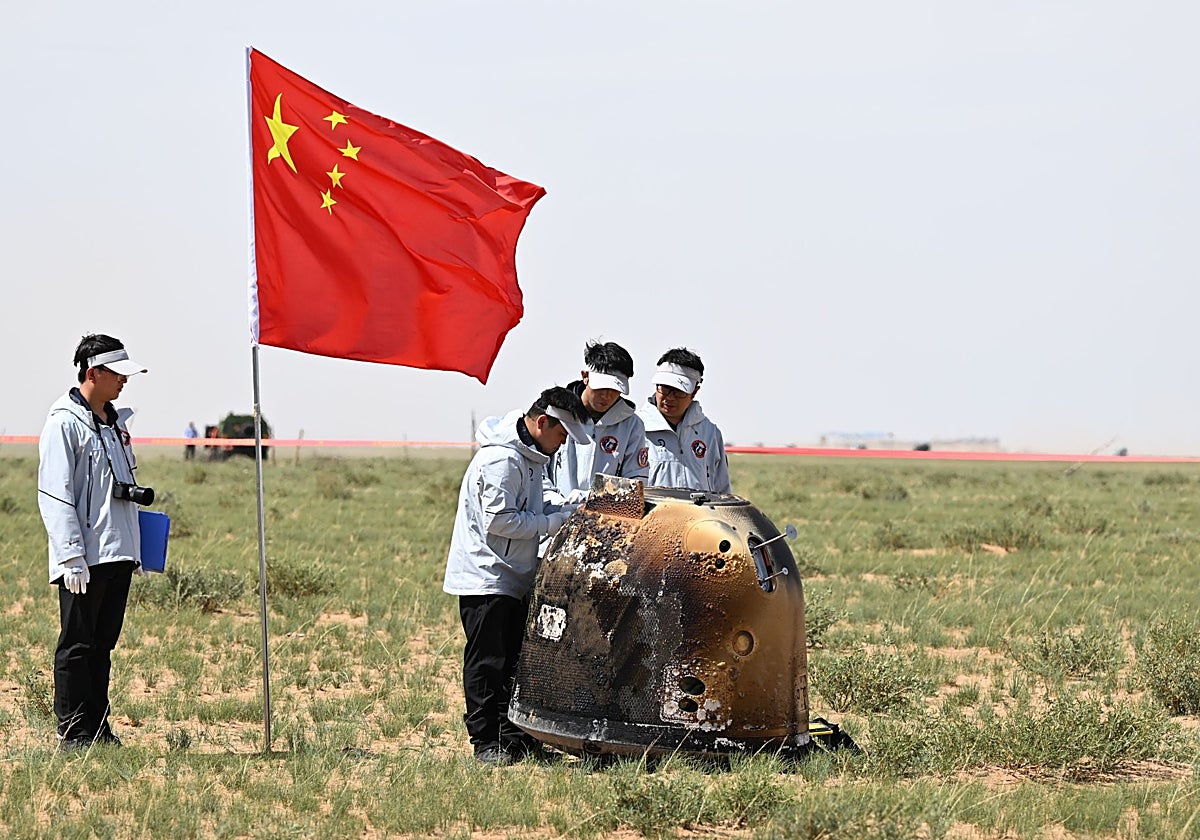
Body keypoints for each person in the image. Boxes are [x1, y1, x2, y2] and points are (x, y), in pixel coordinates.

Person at [443, 386, 591, 766]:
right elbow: (500, 520)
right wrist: (553, 522)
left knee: (513, 660)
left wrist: (575, 503)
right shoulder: (502, 462)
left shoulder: (530, 458)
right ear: (541, 423)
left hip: (513, 576)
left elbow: (536, 505)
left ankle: (514, 740)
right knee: (488, 662)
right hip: (487, 577)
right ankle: (484, 742)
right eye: (560, 436)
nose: (561, 446)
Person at [37, 334, 150, 750]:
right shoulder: (63, 423)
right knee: (77, 645)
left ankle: (99, 729)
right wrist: (70, 555)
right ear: (93, 373)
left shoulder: (117, 423)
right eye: (118, 374)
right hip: (83, 556)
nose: (124, 381)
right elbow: (54, 493)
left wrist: (137, 547)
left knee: (103, 645)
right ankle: (73, 732)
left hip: (118, 551)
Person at [545, 341, 648, 506]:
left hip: (604, 523)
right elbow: (537, 470)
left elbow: (636, 484)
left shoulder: (632, 425)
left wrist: (593, 496)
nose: (606, 396)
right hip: (552, 517)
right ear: (585, 376)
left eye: (615, 389)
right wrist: (552, 499)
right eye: (601, 388)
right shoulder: (556, 411)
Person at [636, 347, 731, 493]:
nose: (670, 397)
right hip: (652, 515)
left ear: (694, 391)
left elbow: (722, 489)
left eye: (678, 391)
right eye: (664, 388)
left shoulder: (710, 433)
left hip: (700, 515)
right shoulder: (635, 429)